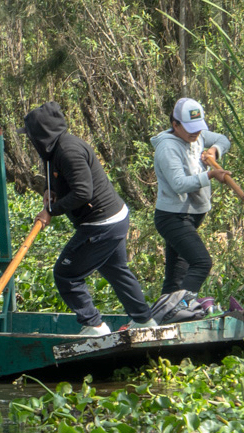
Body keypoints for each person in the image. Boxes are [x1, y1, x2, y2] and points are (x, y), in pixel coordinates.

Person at [23, 101, 155, 336]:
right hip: (111, 219)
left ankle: (94, 326)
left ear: (41, 134)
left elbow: (83, 192)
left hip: (102, 223)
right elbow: (57, 176)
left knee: (66, 274)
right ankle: (144, 321)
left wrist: (51, 210)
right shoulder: (53, 150)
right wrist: (50, 190)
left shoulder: (68, 151)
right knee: (116, 270)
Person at [150, 97, 231, 320]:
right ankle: (181, 308)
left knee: (175, 279)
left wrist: (214, 151)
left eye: (197, 128)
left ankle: (161, 320)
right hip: (172, 216)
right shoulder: (168, 148)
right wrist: (210, 175)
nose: (195, 133)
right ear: (175, 124)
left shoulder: (198, 136)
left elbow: (223, 139)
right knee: (201, 262)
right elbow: (179, 184)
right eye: (189, 128)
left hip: (193, 215)